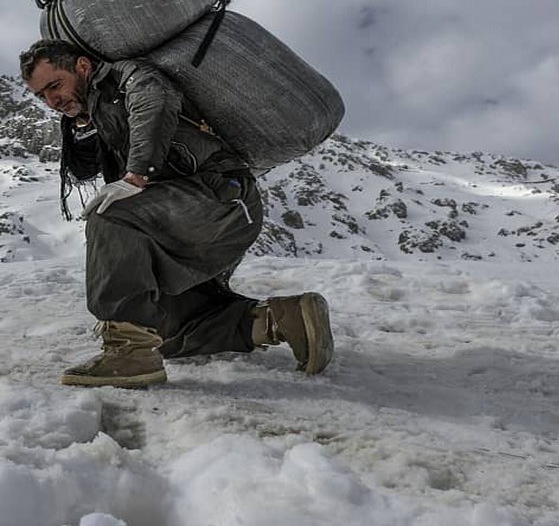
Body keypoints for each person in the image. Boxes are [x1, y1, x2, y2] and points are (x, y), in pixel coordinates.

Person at [19, 39, 334, 388]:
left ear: (82, 67)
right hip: (188, 217)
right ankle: (282, 320)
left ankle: (128, 354)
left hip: (219, 200)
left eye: (54, 86)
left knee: (112, 215)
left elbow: (155, 101)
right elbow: (82, 169)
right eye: (41, 96)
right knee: (167, 334)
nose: (51, 101)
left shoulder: (128, 76)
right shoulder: (100, 113)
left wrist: (136, 174)